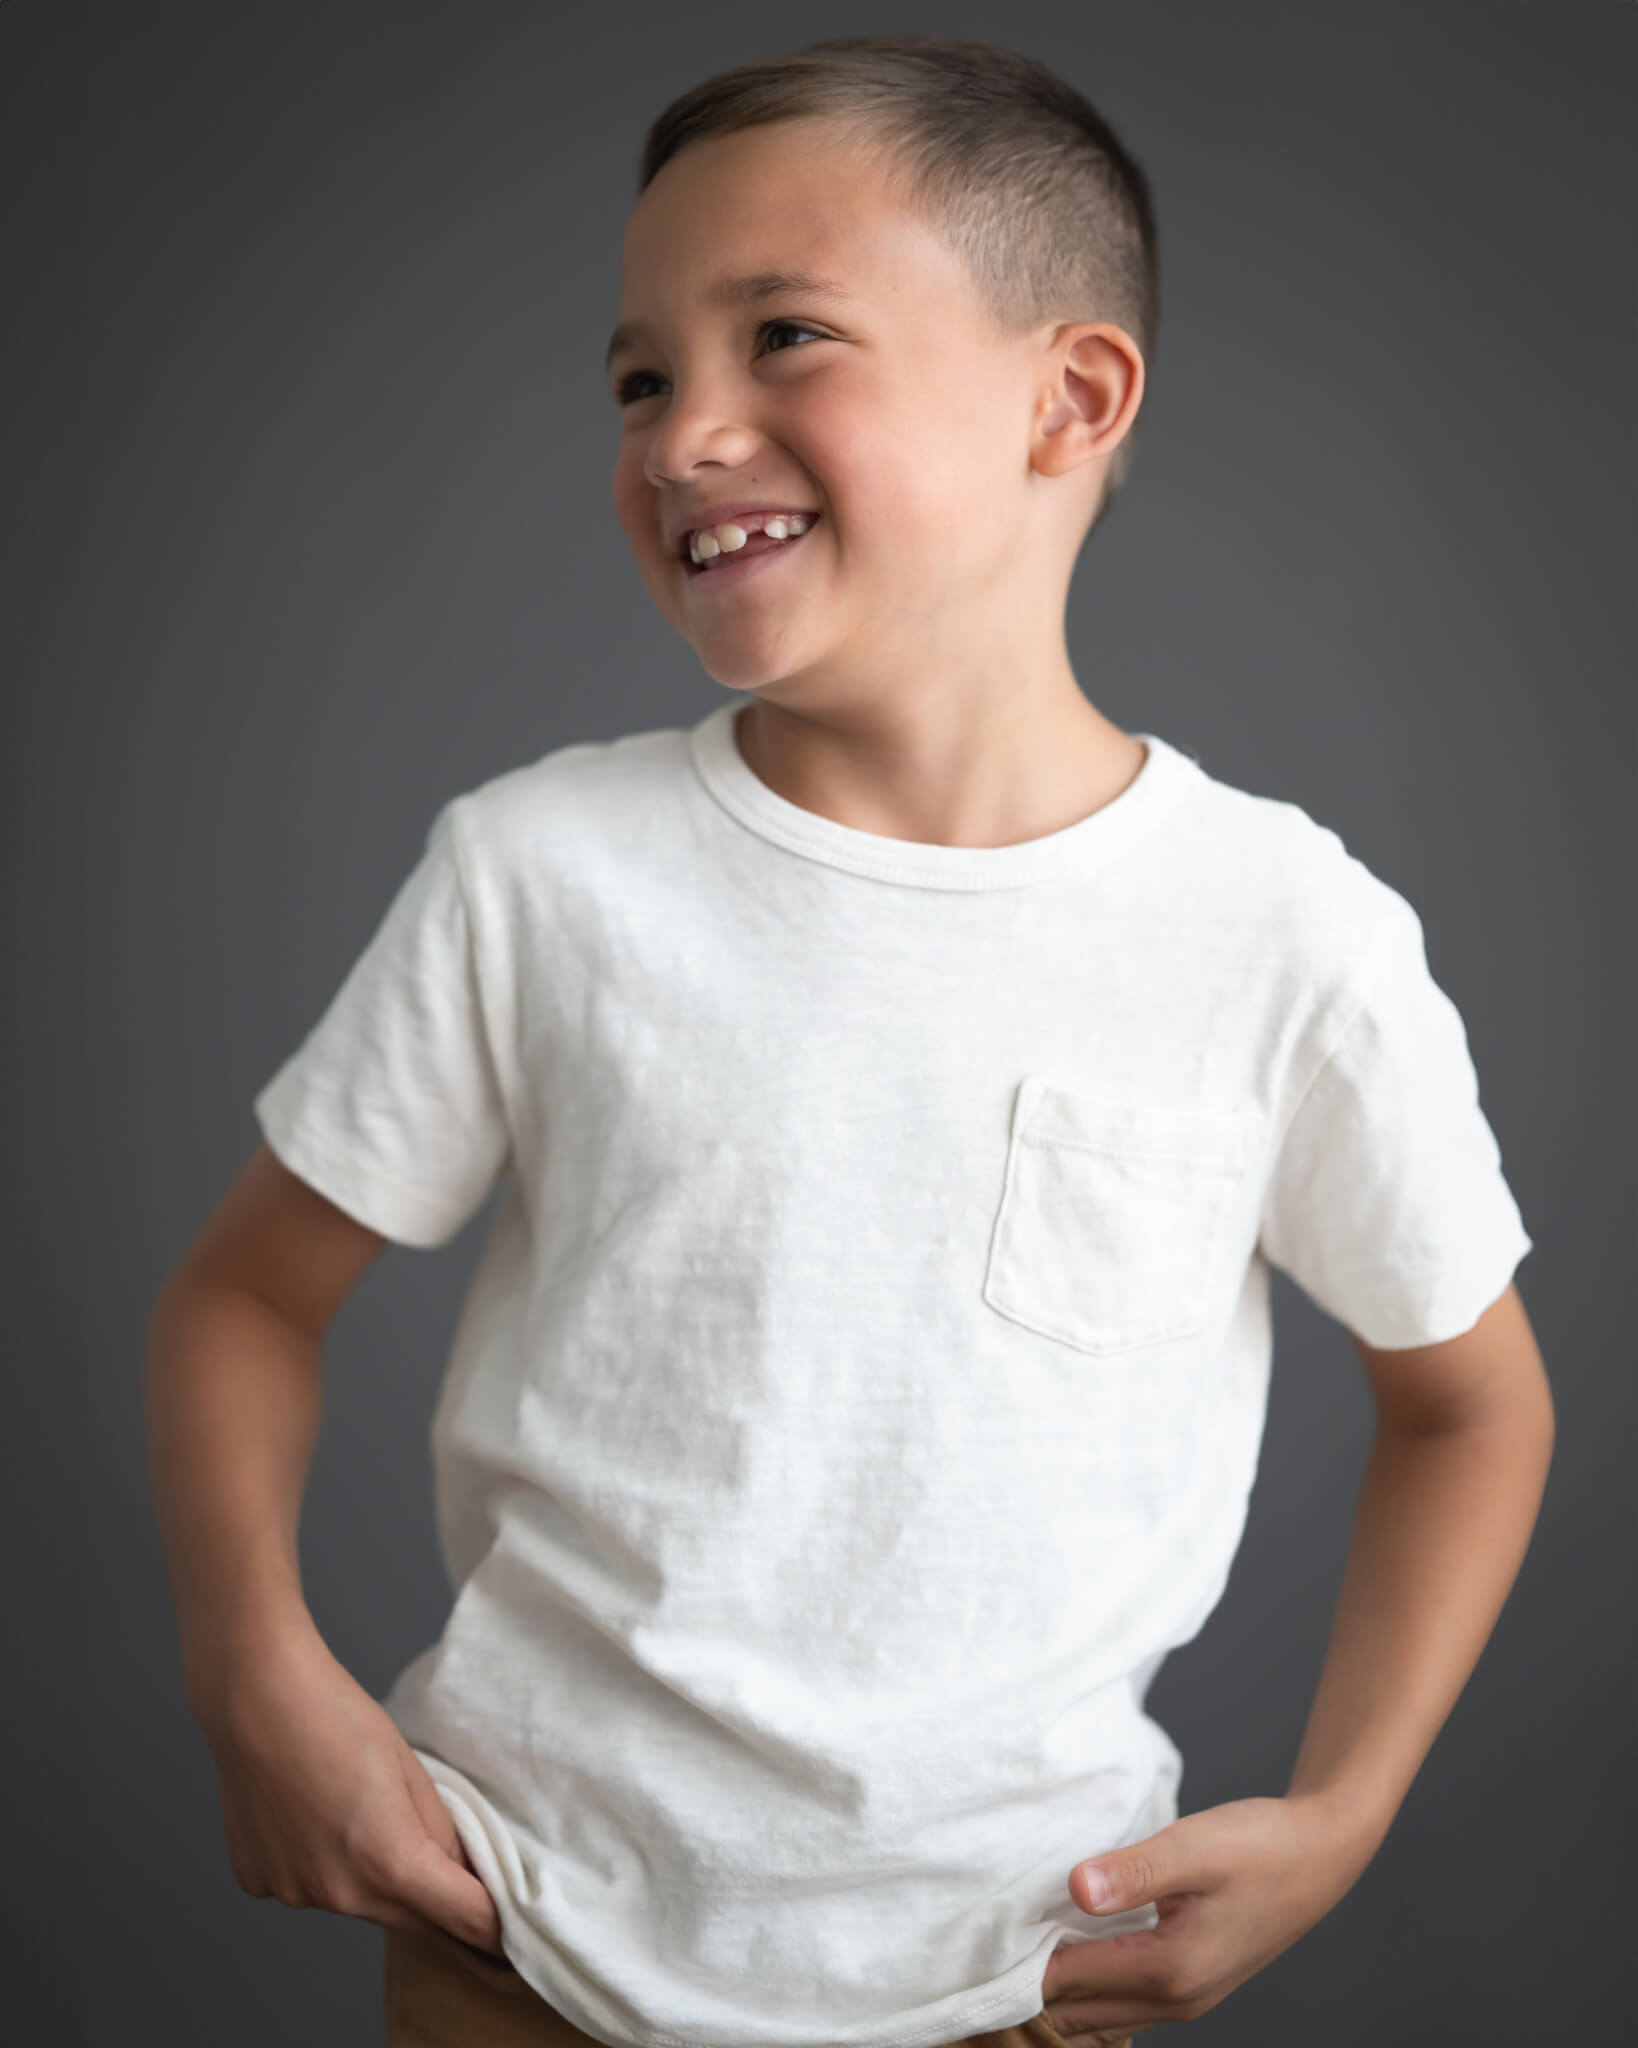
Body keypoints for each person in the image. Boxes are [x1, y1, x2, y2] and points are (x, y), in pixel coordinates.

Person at [143, 32, 1554, 2048]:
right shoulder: (542, 872)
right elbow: (241, 1300)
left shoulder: (1282, 933)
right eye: (640, 377)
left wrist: (1343, 1814)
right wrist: (253, 1672)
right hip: (519, 1948)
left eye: (782, 337)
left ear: (1069, 398)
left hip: (1021, 1979)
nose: (683, 433)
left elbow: (1476, 1403)